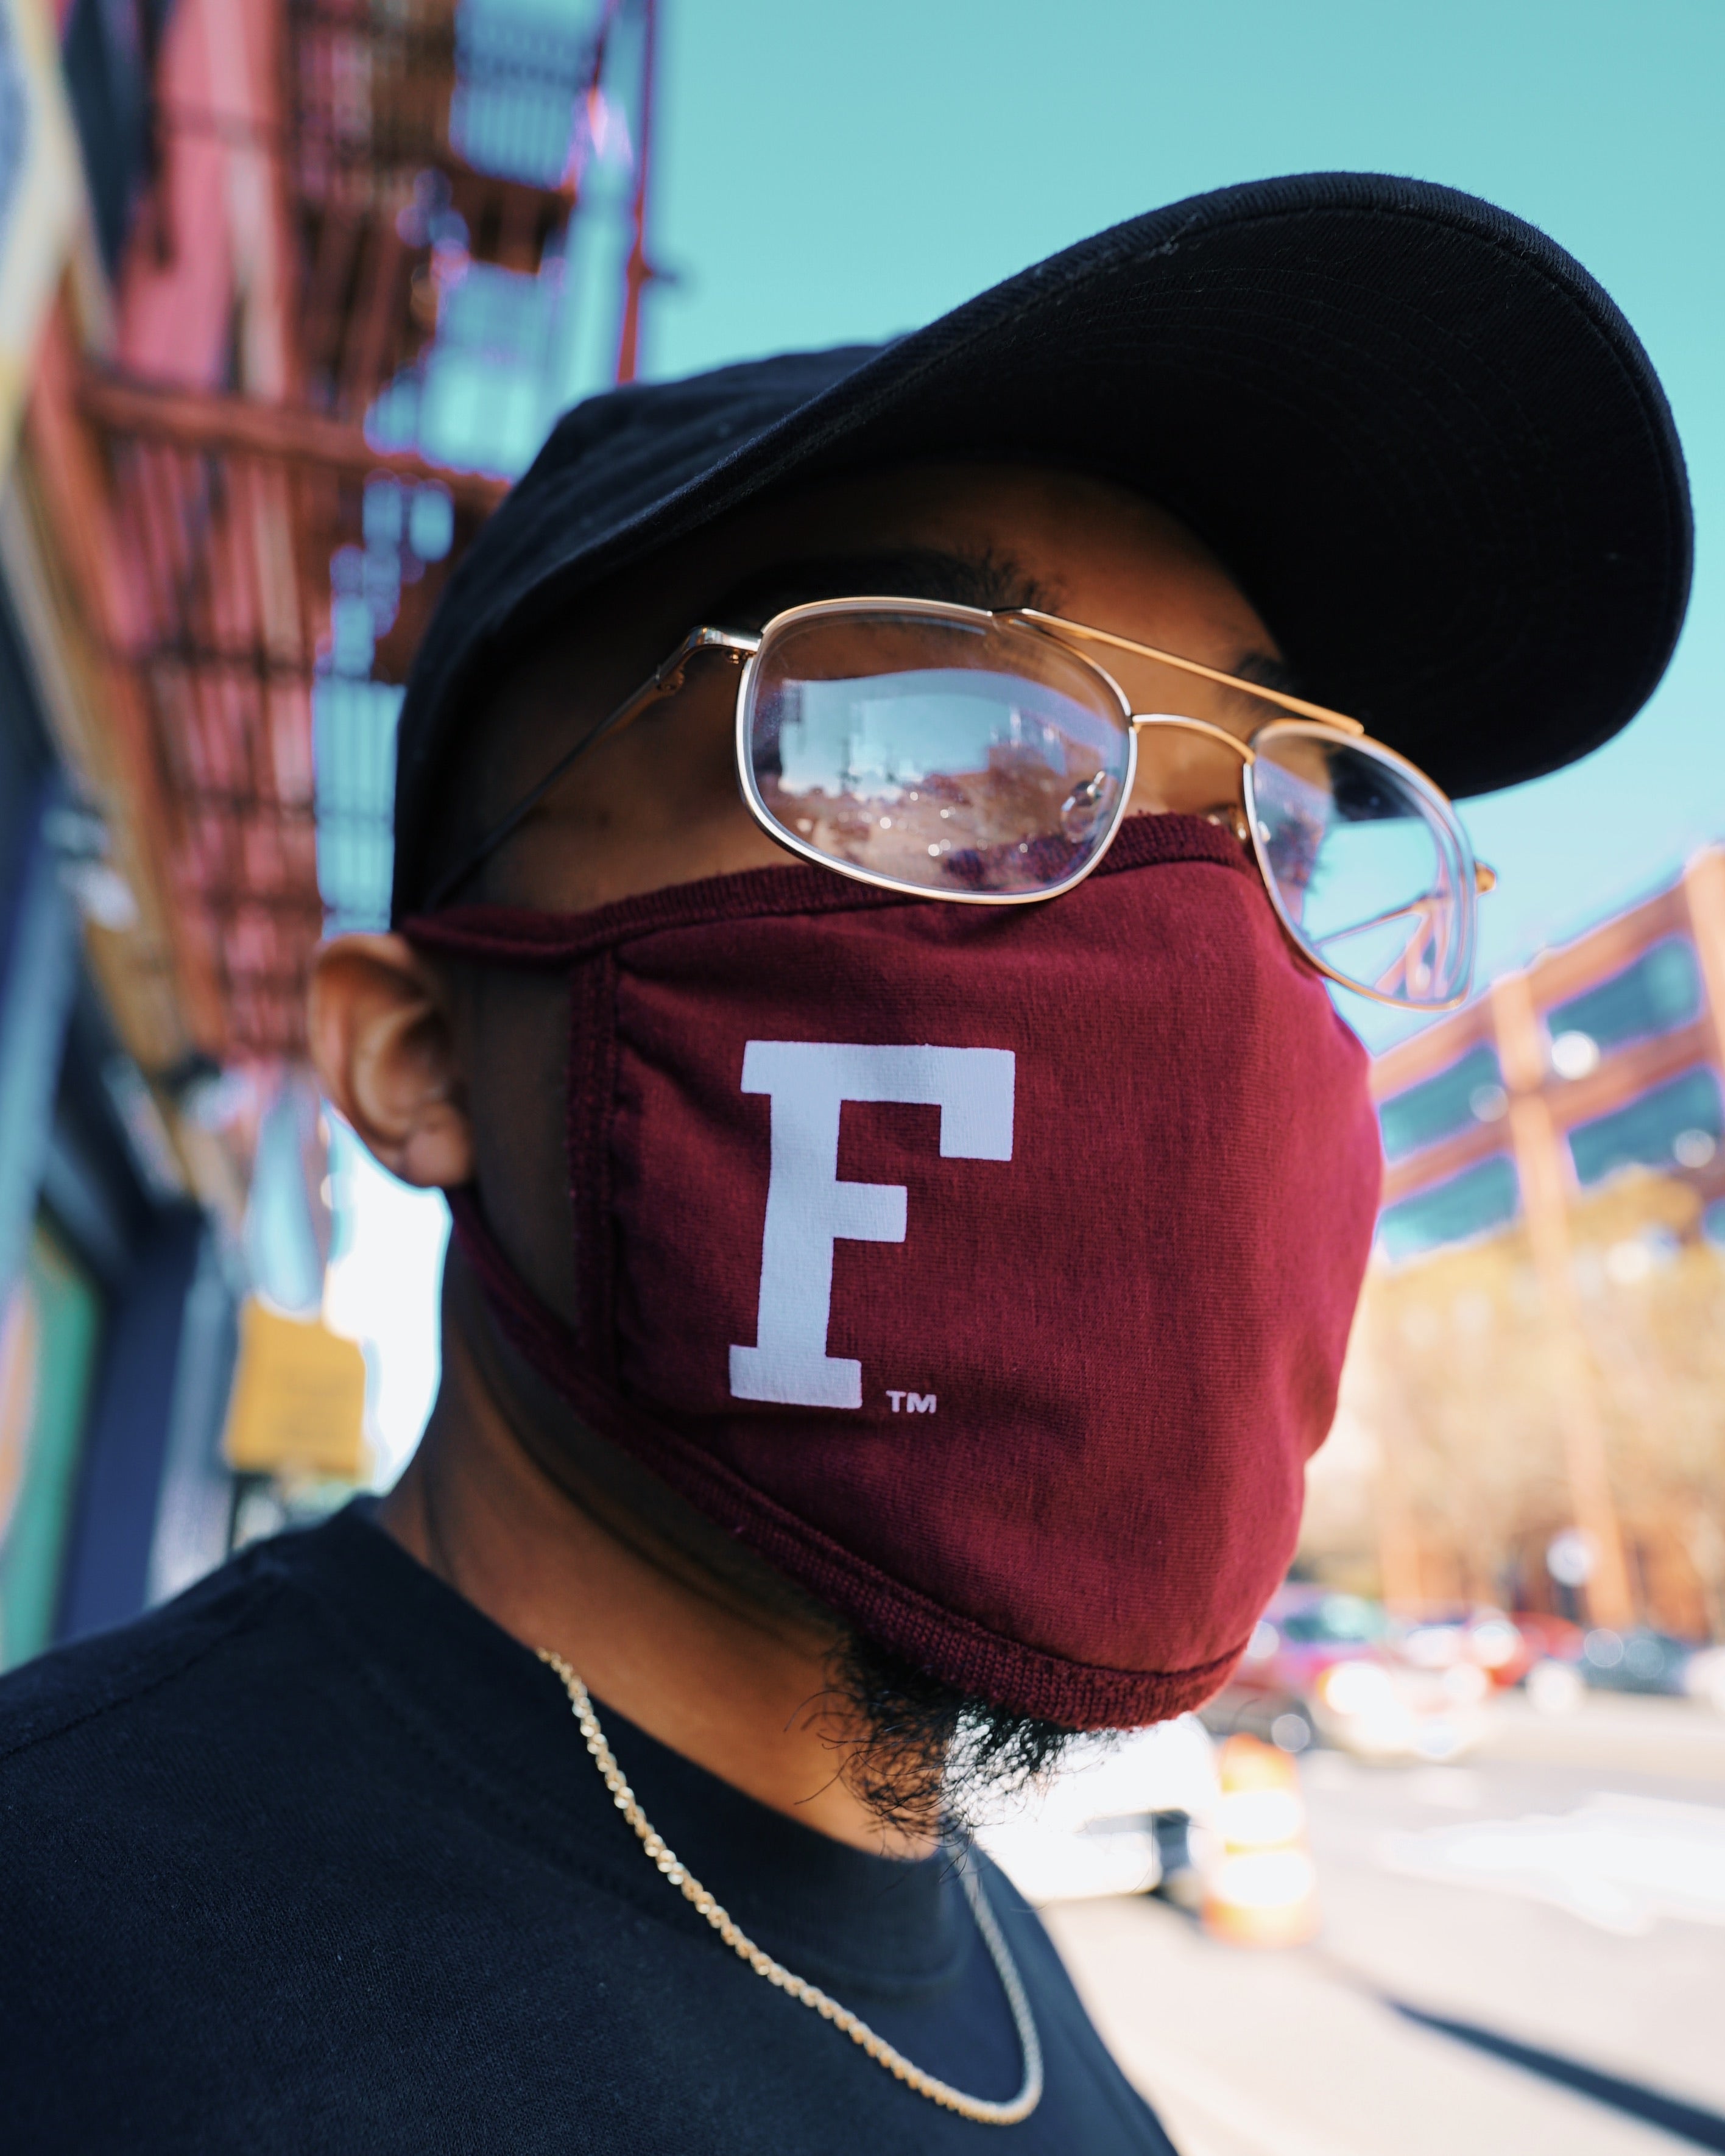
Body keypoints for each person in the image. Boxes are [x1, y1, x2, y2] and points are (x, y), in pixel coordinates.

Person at [1, 174, 1689, 2152]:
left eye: (1288, 824)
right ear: (416, 1056)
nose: (1195, 940)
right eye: (937, 747)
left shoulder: (1024, 1982)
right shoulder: (65, 1950)